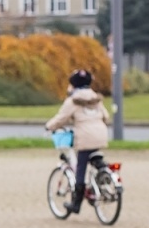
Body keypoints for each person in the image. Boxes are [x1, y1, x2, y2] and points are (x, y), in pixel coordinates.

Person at [44, 70, 111, 215]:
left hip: (85, 137)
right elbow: (106, 116)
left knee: (80, 168)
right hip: (101, 135)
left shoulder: (73, 101)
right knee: (95, 157)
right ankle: (103, 178)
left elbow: (61, 118)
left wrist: (49, 126)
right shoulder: (95, 98)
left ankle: (76, 203)